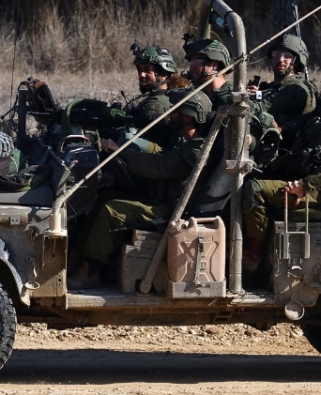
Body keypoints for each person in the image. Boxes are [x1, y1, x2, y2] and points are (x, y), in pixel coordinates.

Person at [69, 91, 214, 289]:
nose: (169, 114)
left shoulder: (198, 150)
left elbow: (160, 165)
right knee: (104, 197)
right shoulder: (180, 140)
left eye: (174, 111)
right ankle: (74, 262)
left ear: (187, 117)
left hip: (172, 211)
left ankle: (90, 272)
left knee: (113, 210)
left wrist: (121, 152)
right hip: (158, 201)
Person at [241, 55, 321, 273]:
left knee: (254, 190)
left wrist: (306, 185)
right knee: (251, 177)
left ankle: (254, 253)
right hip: (308, 179)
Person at [248, 34, 316, 148]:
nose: (280, 59)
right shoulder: (275, 86)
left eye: (287, 56)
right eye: (276, 54)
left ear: (297, 61)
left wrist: (252, 96)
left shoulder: (295, 89)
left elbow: (264, 106)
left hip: (284, 152)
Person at [123, 44, 177, 149]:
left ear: (164, 74)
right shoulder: (154, 97)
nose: (141, 75)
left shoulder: (158, 102)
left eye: (147, 70)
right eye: (140, 70)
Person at [184, 37, 234, 109]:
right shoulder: (199, 97)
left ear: (214, 65)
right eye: (191, 64)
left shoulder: (230, 100)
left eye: (196, 63)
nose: (192, 68)